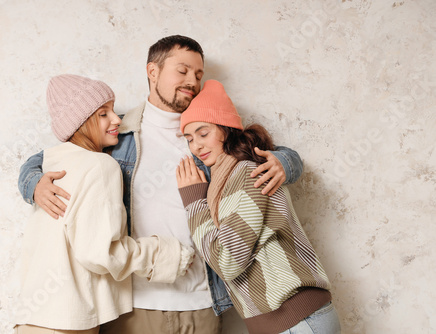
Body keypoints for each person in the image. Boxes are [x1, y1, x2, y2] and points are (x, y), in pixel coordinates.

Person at [17, 35, 304, 334]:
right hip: (135, 305)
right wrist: (33, 184)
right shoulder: (117, 133)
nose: (192, 81)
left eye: (198, 74)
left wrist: (285, 163)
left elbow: (269, 152)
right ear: (152, 71)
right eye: (182, 71)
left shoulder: (209, 133)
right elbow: (46, 158)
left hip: (203, 302)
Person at [15, 74, 194, 334]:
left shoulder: (50, 163)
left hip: (34, 317)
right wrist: (163, 254)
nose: (117, 120)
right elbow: (98, 252)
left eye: (113, 110)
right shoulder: (101, 165)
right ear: (81, 122)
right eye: (103, 114)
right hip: (68, 321)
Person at [176, 80, 341, 334]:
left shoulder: (247, 173)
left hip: (297, 321)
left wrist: (194, 203)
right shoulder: (225, 177)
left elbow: (228, 260)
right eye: (189, 138)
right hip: (288, 322)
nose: (196, 145)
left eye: (203, 133)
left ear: (225, 128)